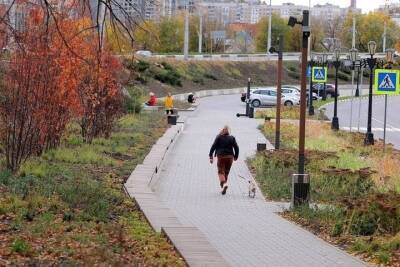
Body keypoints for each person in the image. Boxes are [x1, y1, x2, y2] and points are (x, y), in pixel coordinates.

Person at [209, 126, 239, 195]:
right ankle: (224, 185)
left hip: (221, 157)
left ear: (222, 130)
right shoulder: (232, 138)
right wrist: (236, 156)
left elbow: (213, 146)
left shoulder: (219, 137)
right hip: (230, 157)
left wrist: (211, 156)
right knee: (226, 172)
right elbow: (236, 147)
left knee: (220, 171)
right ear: (229, 131)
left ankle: (223, 182)